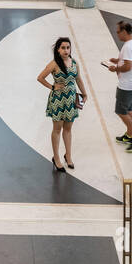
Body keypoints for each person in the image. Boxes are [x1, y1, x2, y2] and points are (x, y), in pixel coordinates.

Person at [37, 37, 88, 172]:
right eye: (63, 48)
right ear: (58, 50)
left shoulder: (75, 63)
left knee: (68, 128)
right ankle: (56, 158)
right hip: (58, 100)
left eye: (68, 47)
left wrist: (84, 93)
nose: (66, 50)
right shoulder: (54, 64)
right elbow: (40, 78)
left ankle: (68, 156)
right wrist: (52, 87)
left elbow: (78, 79)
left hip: (71, 99)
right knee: (57, 129)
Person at [103, 21, 132, 150]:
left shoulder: (127, 47)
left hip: (126, 85)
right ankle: (129, 134)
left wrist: (115, 68)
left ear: (125, 31)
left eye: (118, 32)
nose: (117, 34)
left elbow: (127, 66)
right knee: (129, 110)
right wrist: (117, 60)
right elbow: (128, 61)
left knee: (120, 111)